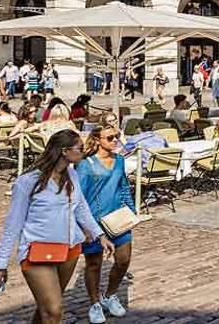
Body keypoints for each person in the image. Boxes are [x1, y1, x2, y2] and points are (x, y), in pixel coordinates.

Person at [0, 129, 112, 324]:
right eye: (80, 148)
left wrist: (100, 235)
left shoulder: (72, 174)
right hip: (37, 251)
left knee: (46, 308)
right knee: (54, 310)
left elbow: (81, 208)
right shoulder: (28, 181)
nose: (84, 151)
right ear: (64, 151)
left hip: (69, 249)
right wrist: (0, 265)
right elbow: (13, 225)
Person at [77, 124, 135, 322]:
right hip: (94, 221)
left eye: (116, 137)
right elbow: (80, 196)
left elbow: (124, 186)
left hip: (118, 218)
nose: (115, 141)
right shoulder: (86, 164)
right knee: (93, 264)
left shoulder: (119, 160)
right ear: (98, 140)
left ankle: (109, 295)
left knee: (123, 259)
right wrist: (83, 225)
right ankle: (94, 302)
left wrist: (132, 211)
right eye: (109, 138)